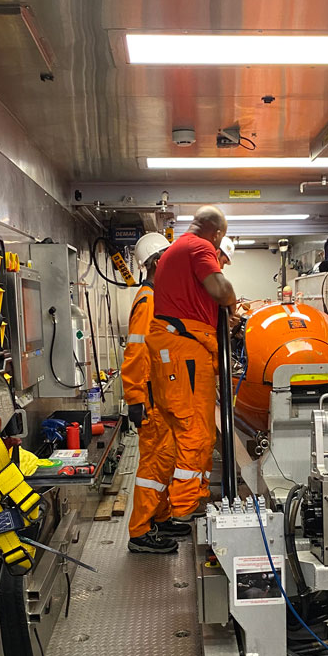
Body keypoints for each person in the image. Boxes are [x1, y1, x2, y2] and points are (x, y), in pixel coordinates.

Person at [147, 207, 236, 522]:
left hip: (182, 347)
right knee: (195, 431)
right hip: (185, 349)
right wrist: (232, 304)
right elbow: (219, 288)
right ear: (216, 234)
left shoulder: (176, 250)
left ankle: (192, 499)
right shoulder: (199, 246)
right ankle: (184, 509)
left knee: (195, 430)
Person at [122, 232, 189, 554]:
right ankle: (141, 531)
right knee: (154, 466)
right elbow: (135, 353)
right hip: (152, 402)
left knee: (165, 463)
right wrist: (135, 398)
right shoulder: (148, 301)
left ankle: (160, 518)